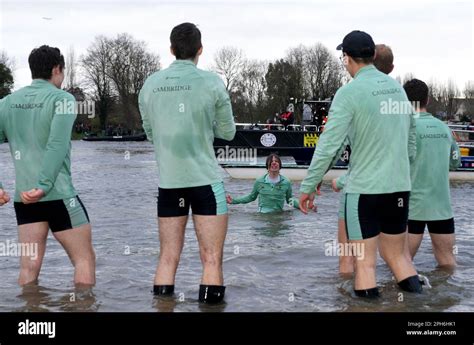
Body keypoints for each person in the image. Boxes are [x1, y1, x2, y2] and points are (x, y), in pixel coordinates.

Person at [299, 30, 421, 298]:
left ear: (346, 59)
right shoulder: (398, 90)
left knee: (364, 265)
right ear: (374, 55)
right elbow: (412, 142)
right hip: (398, 189)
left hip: (365, 191)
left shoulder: (349, 93)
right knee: (399, 259)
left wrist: (309, 184)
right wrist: (397, 168)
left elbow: (330, 145)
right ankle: (423, 310)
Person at [139, 23, 236, 304]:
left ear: (171, 50)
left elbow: (150, 134)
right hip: (205, 181)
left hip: (169, 184)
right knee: (212, 258)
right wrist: (204, 126)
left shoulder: (150, 85)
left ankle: (162, 308)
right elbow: (228, 132)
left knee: (168, 257)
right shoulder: (212, 82)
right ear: (200, 50)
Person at [0, 45, 95, 287]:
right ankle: (82, 306)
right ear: (56, 69)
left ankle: (30, 316)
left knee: (29, 268)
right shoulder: (63, 99)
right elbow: (57, 145)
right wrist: (44, 185)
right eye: (62, 73)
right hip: (58, 194)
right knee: (84, 259)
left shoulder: (7, 103)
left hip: (25, 198)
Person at [332, 42, 396, 274]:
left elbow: (342, 147)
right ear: (392, 67)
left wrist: (330, 181)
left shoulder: (354, 94)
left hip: (360, 190)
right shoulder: (398, 95)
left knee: (351, 259)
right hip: (396, 191)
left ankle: (352, 303)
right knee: (398, 259)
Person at [403, 79, 460, 268]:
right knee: (448, 263)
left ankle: (405, 298)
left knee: (401, 265)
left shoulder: (405, 128)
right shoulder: (445, 128)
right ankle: (445, 296)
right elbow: (455, 162)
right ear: (427, 99)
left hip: (411, 207)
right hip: (441, 207)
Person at [226, 154, 300, 213]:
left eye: (276, 161)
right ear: (267, 166)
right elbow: (251, 197)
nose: (274, 163)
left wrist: (302, 206)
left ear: (280, 165)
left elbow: (290, 200)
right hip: (262, 216)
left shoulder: (286, 182)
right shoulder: (259, 181)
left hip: (278, 215)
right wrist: (233, 201)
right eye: (271, 161)